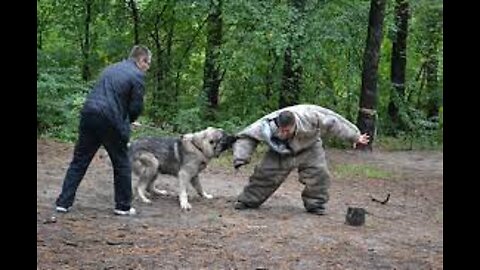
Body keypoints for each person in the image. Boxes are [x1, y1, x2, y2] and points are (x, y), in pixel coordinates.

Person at [54, 45, 152, 216]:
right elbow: (136, 107)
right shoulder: (137, 76)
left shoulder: (110, 69)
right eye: (148, 64)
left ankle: (63, 203)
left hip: (89, 114)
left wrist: (124, 118)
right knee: (121, 162)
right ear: (142, 60)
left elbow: (107, 96)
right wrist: (129, 120)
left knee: (79, 161)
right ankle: (123, 206)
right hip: (110, 119)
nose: (147, 68)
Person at [232, 104, 370, 215]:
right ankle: (248, 201)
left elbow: (334, 122)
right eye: (282, 130)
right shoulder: (267, 125)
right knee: (265, 175)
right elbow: (247, 136)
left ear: (294, 124)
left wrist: (354, 136)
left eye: (287, 130)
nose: (284, 133)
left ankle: (315, 204)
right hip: (281, 151)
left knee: (319, 174)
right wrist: (240, 157)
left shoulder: (310, 114)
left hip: (310, 147)